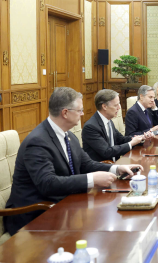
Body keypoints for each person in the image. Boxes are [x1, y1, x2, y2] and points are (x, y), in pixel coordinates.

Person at [4, 87, 142, 236]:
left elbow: (86, 164)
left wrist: (118, 169)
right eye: (80, 110)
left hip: (63, 205)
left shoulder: (69, 135)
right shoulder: (37, 142)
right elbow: (47, 184)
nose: (83, 114)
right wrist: (92, 179)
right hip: (35, 215)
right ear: (65, 113)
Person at [82, 89, 145, 162]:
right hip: (102, 169)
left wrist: (141, 138)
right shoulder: (91, 127)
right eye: (116, 105)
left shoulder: (109, 121)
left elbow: (121, 139)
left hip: (115, 164)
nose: (119, 108)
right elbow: (106, 152)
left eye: (119, 104)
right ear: (104, 107)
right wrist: (131, 143)